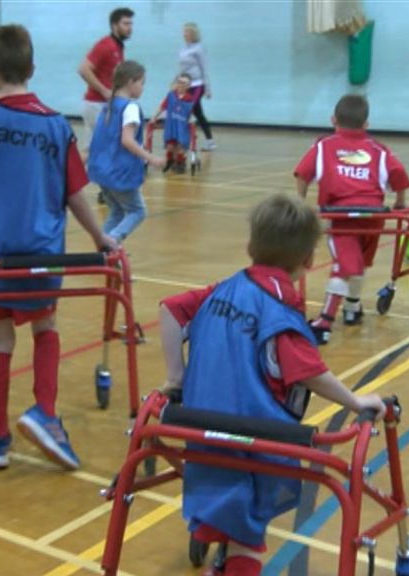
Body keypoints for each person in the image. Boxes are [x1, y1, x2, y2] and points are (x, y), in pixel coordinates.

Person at [160, 194, 385, 575]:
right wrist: (355, 400)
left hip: (198, 426)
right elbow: (310, 374)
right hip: (253, 439)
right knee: (247, 537)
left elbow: (168, 309)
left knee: (227, 509)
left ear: (250, 247)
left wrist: (176, 377)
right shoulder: (280, 312)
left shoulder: (224, 288)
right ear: (310, 261)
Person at [0, 24, 117, 471]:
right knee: (44, 323)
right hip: (41, 254)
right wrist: (100, 237)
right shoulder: (55, 126)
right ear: (32, 68)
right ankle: (44, 411)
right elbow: (77, 192)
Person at [293, 94, 409, 345]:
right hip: (373, 217)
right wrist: (400, 202)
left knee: (346, 265)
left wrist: (301, 202)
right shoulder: (378, 149)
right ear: (366, 124)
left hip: (340, 216)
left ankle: (325, 321)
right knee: (357, 263)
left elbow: (302, 173)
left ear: (333, 119)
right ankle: (351, 308)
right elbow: (399, 173)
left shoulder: (323, 146)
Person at [88, 61, 164, 244]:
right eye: (142, 83)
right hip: (118, 172)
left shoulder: (109, 106)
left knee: (117, 211)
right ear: (131, 82)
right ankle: (112, 242)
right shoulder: (130, 108)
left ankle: (102, 245)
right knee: (138, 211)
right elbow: (127, 140)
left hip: (102, 170)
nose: (143, 88)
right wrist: (150, 157)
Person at [78, 7, 133, 159]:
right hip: (96, 105)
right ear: (115, 25)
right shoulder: (106, 45)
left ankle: (64, 180)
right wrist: (103, 91)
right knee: (112, 146)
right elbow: (83, 69)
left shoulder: (118, 47)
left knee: (90, 151)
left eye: (131, 24)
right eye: (126, 24)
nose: (130, 28)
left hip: (100, 105)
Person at [178, 22, 216, 151]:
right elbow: (181, 68)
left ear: (193, 33)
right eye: (184, 31)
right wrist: (176, 83)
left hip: (198, 84)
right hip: (186, 84)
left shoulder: (199, 48)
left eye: (187, 31)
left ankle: (184, 139)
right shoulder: (183, 48)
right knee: (198, 113)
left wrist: (208, 88)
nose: (184, 34)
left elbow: (204, 68)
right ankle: (210, 141)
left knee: (188, 109)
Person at [151, 73, 195, 174]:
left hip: (181, 125)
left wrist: (190, 122)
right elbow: (162, 107)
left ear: (188, 85)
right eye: (179, 82)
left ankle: (180, 163)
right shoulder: (171, 95)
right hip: (171, 124)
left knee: (180, 145)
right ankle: (169, 161)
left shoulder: (189, 99)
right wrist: (154, 116)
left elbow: (189, 113)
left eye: (184, 83)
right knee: (170, 145)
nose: (181, 85)